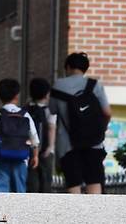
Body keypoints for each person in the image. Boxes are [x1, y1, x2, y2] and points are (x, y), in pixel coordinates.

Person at [50, 53, 112, 194]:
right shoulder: (95, 85)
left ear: (68, 67)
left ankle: (75, 215)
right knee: (94, 182)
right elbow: (107, 112)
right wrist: (101, 128)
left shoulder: (58, 85)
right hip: (93, 142)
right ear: (85, 68)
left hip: (67, 144)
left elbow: (52, 110)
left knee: (73, 183)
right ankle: (93, 215)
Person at [0, 79, 40, 193]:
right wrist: (35, 156)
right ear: (17, 96)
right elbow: (34, 139)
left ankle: (1, 211)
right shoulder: (25, 115)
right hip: (21, 158)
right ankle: (18, 210)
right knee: (19, 191)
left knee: (0, 191)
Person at [25, 78, 57, 193]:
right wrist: (50, 147)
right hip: (45, 151)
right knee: (46, 180)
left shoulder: (26, 108)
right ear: (47, 94)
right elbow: (51, 128)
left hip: (30, 150)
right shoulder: (49, 109)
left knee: (32, 180)